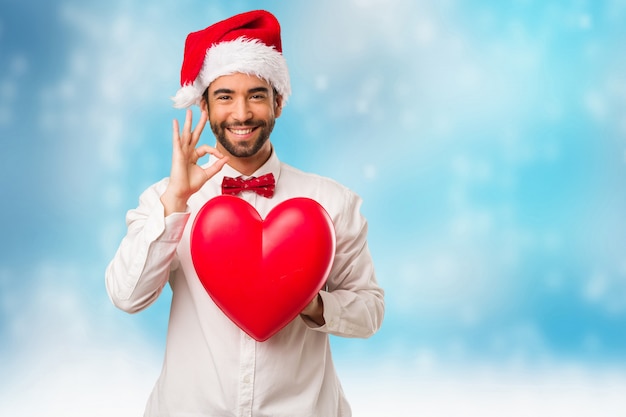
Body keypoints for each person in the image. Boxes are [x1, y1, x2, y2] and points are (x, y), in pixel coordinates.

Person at [105, 9, 384, 417]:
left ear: (278, 103)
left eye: (256, 94)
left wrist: (310, 302)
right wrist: (175, 203)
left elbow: (370, 312)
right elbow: (126, 297)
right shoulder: (165, 200)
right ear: (204, 105)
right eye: (224, 97)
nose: (241, 114)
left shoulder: (334, 203)